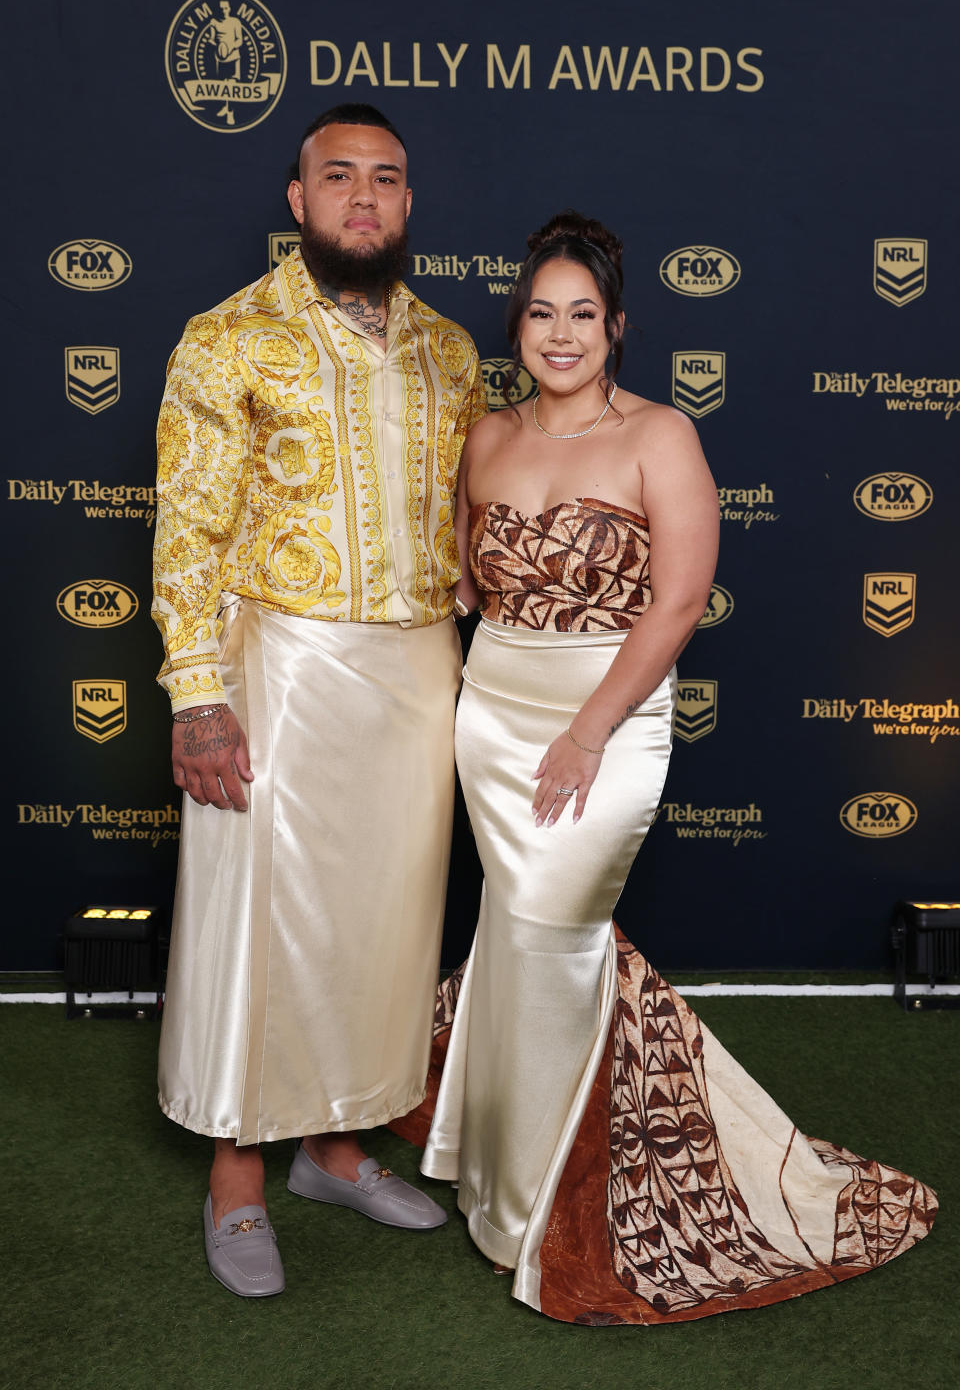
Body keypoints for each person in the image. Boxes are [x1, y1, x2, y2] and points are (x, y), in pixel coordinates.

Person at [391, 212, 937, 1324]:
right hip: (491, 716)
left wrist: (589, 729)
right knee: (516, 931)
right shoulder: (486, 437)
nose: (559, 334)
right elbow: (468, 575)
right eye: (540, 313)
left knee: (552, 931)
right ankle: (498, 1173)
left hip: (608, 721)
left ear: (617, 328)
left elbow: (680, 601)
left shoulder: (661, 437)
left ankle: (546, 1206)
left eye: (581, 315)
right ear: (518, 326)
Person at [152, 103, 487, 1297]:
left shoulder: (451, 350)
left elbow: (467, 522)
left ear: (407, 205)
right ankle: (237, 1179)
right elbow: (187, 531)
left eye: (385, 179)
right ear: (297, 201)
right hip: (280, 664)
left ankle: (336, 1150)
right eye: (336, 176)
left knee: (385, 926)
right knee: (260, 925)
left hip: (416, 669)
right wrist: (198, 695)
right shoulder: (229, 337)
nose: (362, 197)